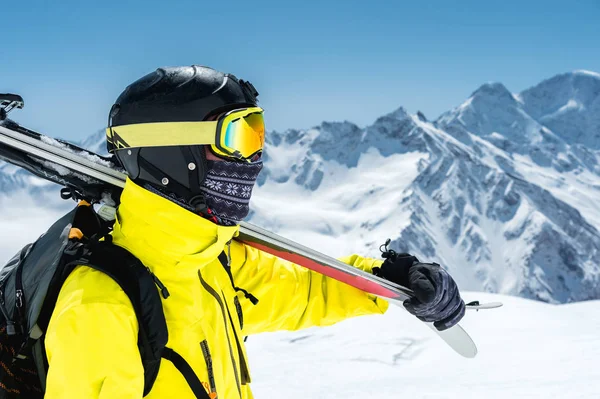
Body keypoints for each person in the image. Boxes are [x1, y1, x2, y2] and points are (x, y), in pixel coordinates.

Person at [43, 65, 465, 399]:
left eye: (258, 131)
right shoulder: (101, 306)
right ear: (171, 152)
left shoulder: (211, 261)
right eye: (239, 136)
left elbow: (303, 291)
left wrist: (386, 279)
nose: (255, 156)